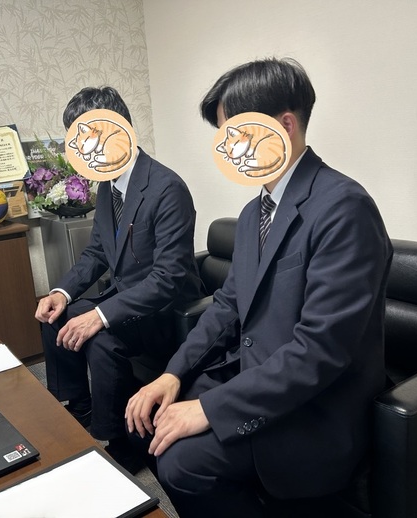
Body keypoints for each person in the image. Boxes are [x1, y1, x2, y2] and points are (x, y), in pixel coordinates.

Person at [125, 57, 393, 516]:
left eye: (235, 135)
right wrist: (173, 373)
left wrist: (209, 409)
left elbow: (320, 350)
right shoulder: (255, 213)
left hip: (314, 406)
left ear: (284, 125)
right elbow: (228, 305)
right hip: (254, 376)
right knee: (147, 421)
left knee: (182, 464)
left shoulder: (345, 209)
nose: (227, 151)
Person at [35, 86, 204, 474]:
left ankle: (119, 443)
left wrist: (100, 316)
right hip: (126, 299)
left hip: (166, 310)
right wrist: (62, 292)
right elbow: (97, 251)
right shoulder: (108, 184)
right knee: (56, 315)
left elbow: (169, 277)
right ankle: (78, 408)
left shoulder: (166, 188)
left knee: (101, 337)